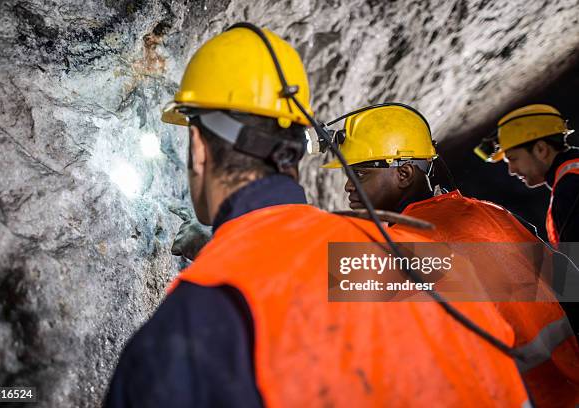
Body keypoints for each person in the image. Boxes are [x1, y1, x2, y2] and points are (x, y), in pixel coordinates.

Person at [104, 25, 531, 407]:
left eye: (359, 173)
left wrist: (227, 261)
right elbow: (322, 282)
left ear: (197, 147)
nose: (351, 188)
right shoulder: (426, 260)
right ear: (296, 151)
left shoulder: (191, 327)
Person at [324, 103, 579, 407]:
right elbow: (568, 281)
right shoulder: (491, 213)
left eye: (360, 174)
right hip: (566, 383)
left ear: (404, 173)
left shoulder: (404, 244)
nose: (348, 186)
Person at [475, 104, 579, 246]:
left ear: (540, 149)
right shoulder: (572, 178)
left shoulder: (569, 191)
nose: (511, 170)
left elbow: (573, 265)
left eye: (513, 159)